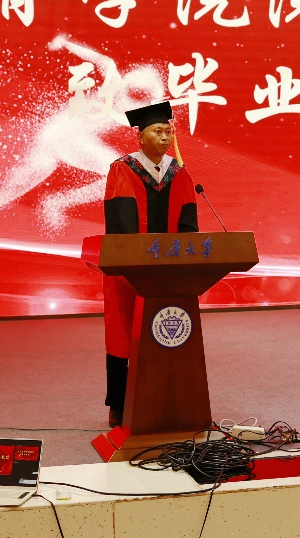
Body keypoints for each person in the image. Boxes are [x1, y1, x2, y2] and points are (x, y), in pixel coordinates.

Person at [102, 101, 199, 427]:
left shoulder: (179, 173)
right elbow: (122, 221)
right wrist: (138, 260)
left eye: (168, 132)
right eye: (157, 131)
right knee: (123, 334)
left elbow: (188, 222)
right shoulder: (123, 168)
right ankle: (119, 405)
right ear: (139, 135)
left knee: (168, 332)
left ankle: (168, 397)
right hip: (129, 271)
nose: (165, 137)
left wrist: (186, 263)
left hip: (169, 274)